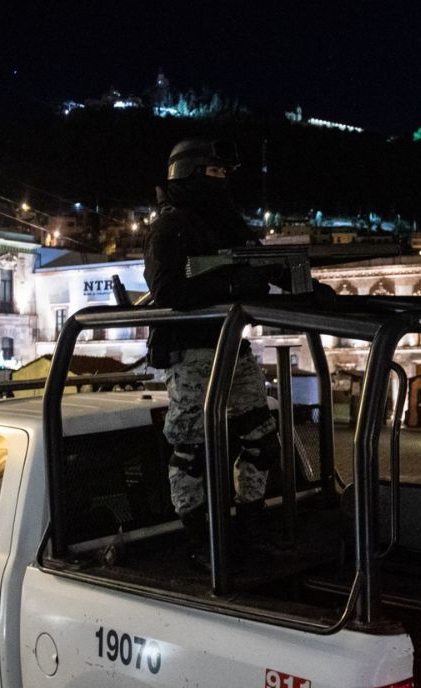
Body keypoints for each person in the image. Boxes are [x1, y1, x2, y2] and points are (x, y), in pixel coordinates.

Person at [144, 138, 280, 568]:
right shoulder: (171, 227)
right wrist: (233, 286)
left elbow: (262, 263)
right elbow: (167, 290)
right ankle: (201, 542)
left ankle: (249, 531)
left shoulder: (227, 223)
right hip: (192, 353)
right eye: (214, 174)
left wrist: (304, 285)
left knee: (261, 439)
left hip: (231, 347)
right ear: (191, 174)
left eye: (224, 174)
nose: (221, 182)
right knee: (190, 452)